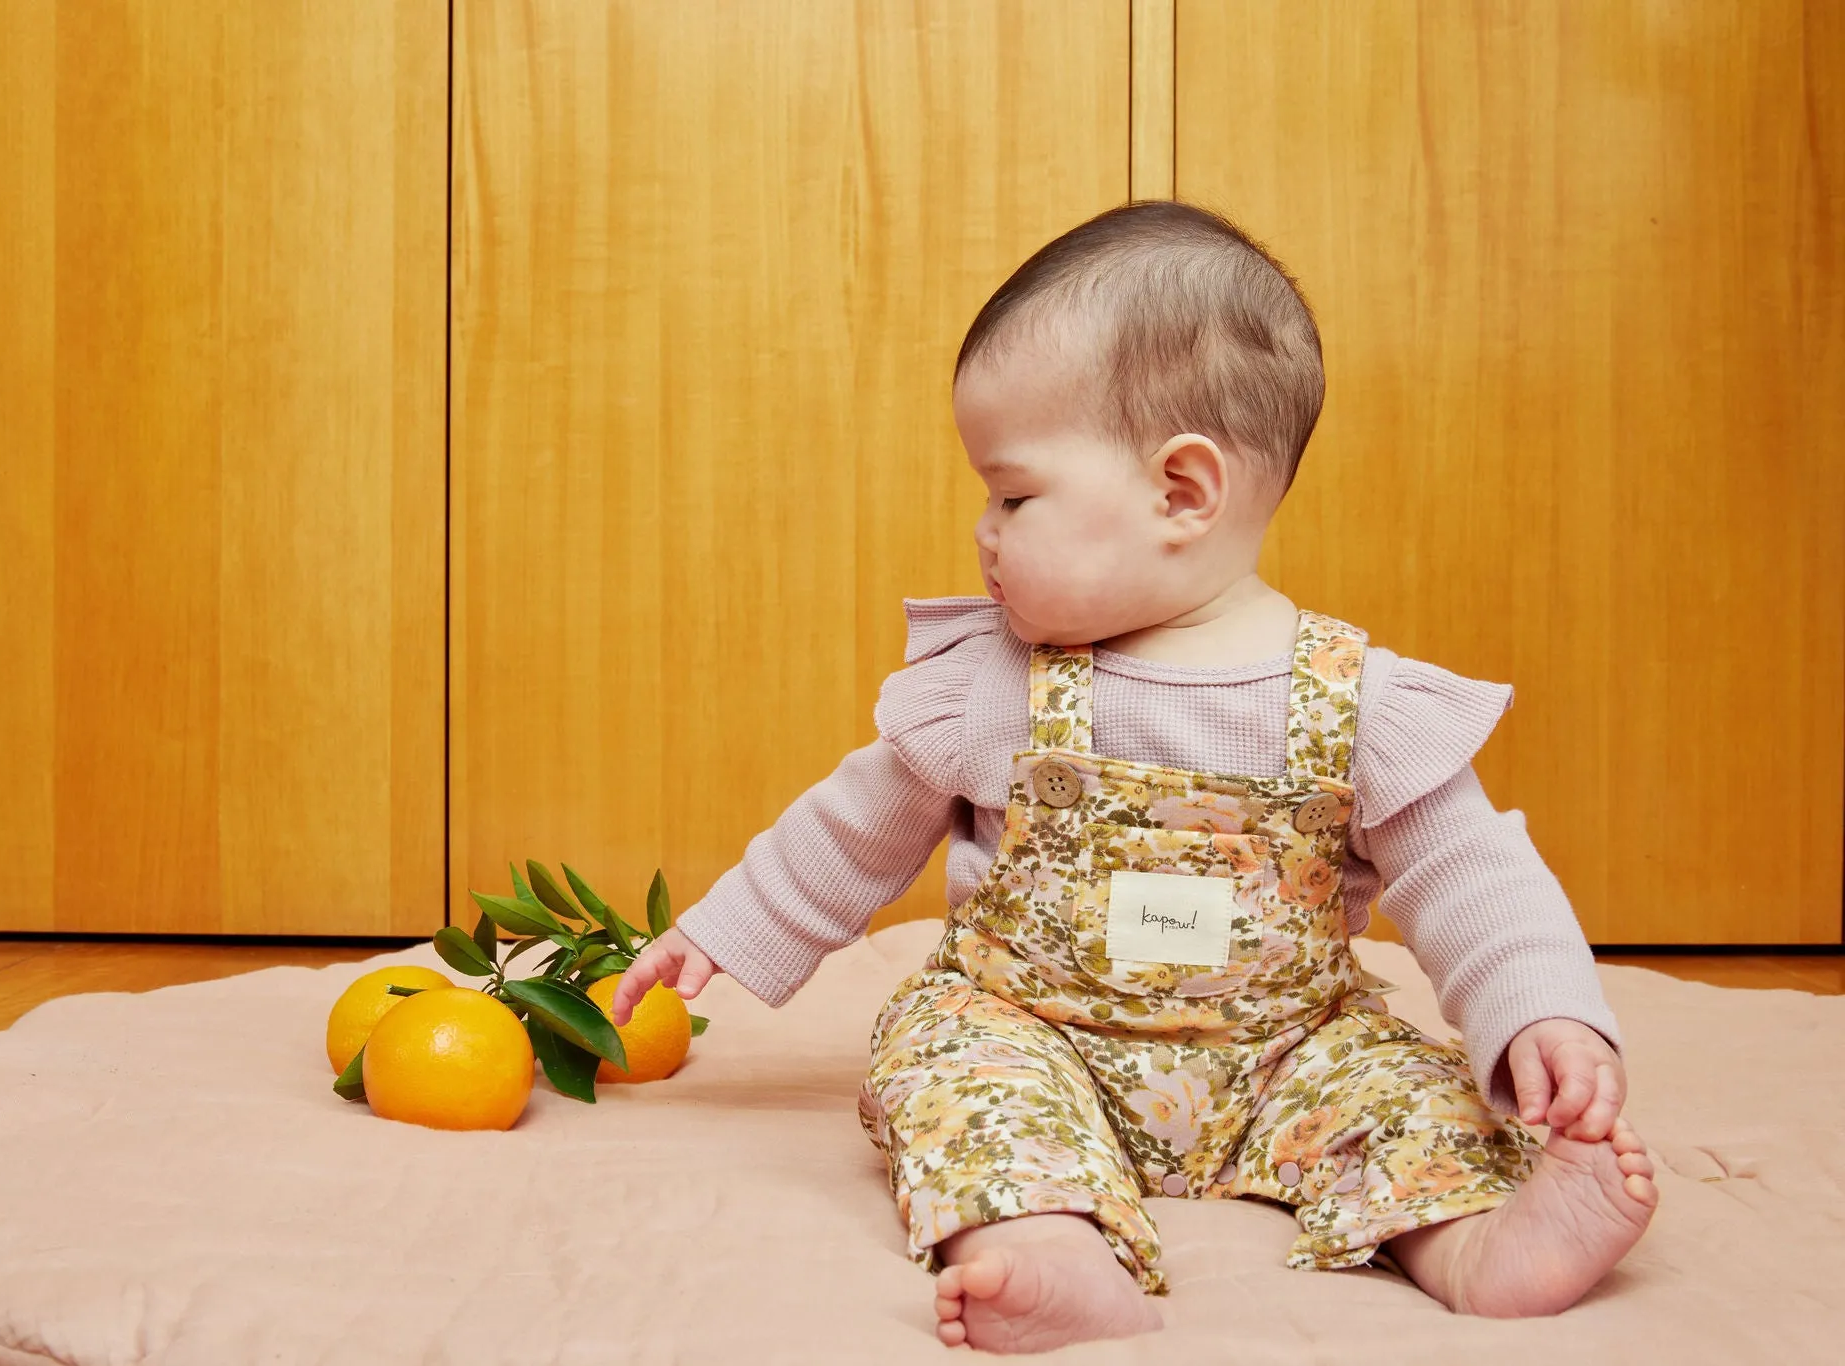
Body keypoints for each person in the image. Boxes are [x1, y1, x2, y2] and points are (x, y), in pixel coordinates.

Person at [607, 201, 1657, 1354]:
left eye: (1013, 495)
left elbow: (1472, 873)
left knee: (1402, 1093)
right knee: (952, 1070)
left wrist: (1544, 1014)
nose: (983, 532)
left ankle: (1472, 1246)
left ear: (1180, 492)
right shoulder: (997, 685)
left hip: (1281, 1053)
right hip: (1035, 1031)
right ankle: (1050, 1246)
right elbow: (859, 822)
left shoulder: (1355, 699)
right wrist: (726, 925)